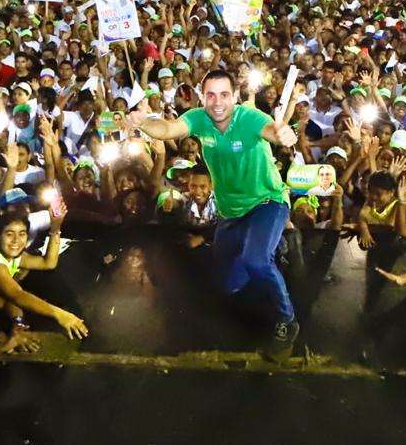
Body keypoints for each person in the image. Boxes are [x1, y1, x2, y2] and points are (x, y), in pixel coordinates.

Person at [126, 69, 300, 359]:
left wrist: (283, 134)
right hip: (230, 212)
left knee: (255, 261)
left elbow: (273, 131)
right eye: (210, 94)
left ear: (235, 96)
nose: (217, 102)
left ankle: (287, 320)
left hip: (266, 202)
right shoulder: (198, 118)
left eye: (224, 94)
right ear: (201, 96)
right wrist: (144, 122)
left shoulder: (249, 118)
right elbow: (167, 129)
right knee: (230, 285)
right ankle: (272, 245)